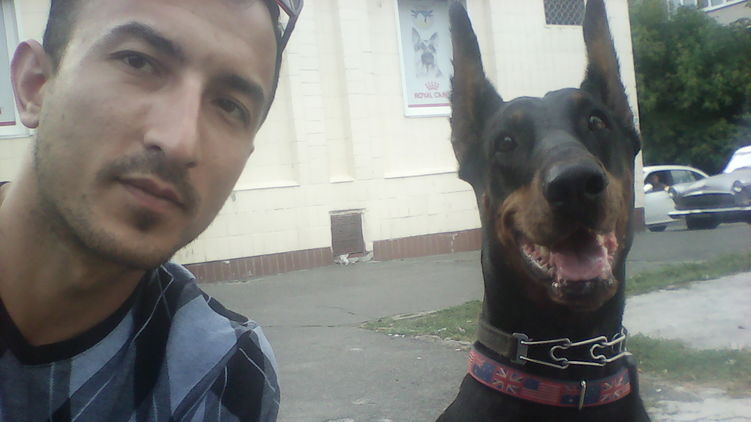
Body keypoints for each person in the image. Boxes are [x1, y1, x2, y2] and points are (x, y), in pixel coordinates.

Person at [0, 0, 302, 420]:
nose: (180, 142)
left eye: (229, 106)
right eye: (138, 62)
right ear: (35, 85)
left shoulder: (222, 375)